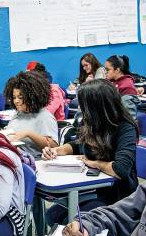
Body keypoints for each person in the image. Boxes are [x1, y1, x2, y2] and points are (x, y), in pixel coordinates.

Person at [42, 79, 138, 221]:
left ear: (97, 106)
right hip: (90, 188)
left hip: (116, 193)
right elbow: (77, 144)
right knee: (52, 216)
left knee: (70, 220)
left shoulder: (125, 127)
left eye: (83, 104)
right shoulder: (89, 121)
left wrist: (96, 163)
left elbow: (121, 169)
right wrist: (57, 150)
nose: (80, 107)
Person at [3, 71, 58, 158]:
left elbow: (54, 146)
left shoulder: (45, 117)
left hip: (34, 161)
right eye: (14, 97)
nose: (16, 101)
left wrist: (29, 134)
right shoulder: (18, 114)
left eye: (21, 97)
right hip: (15, 157)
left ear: (32, 97)